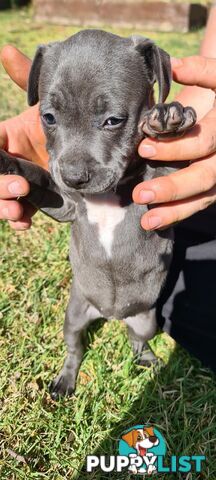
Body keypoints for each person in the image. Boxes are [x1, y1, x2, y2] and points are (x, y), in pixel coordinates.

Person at [1, 8, 216, 370]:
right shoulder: (71, 178)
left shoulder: (150, 164)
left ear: (154, 83)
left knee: (162, 326)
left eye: (112, 120)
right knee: (72, 327)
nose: (73, 166)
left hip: (143, 299)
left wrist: (175, 125)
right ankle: (72, 360)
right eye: (51, 118)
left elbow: (167, 172)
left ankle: (139, 347)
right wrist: (11, 165)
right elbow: (62, 203)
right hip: (88, 294)